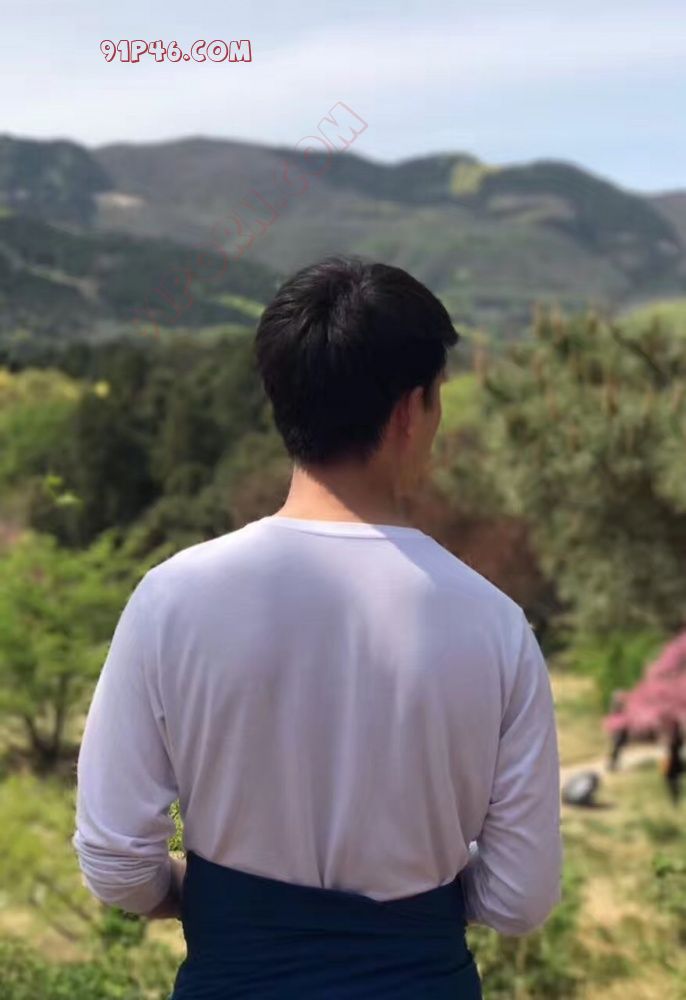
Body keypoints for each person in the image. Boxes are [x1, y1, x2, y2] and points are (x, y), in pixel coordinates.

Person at [72, 256, 563, 999]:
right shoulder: (494, 624)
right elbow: (520, 899)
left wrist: (232, 907)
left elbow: (116, 864)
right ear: (411, 410)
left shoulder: (174, 598)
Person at [664, 720, 684, 806]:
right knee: (675, 781)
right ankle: (675, 798)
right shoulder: (678, 738)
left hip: (673, 762)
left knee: (672, 781)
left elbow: (670, 750)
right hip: (676, 762)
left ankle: (674, 799)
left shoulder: (675, 739)